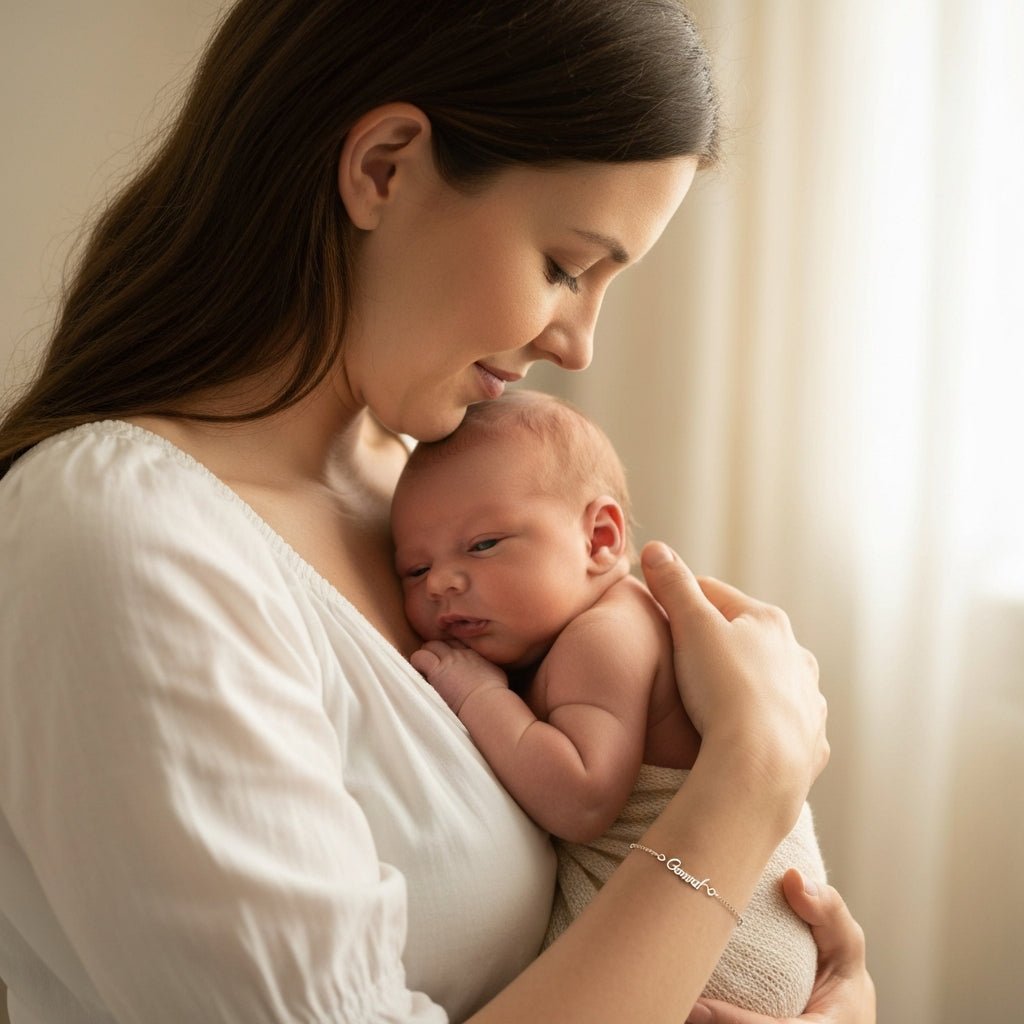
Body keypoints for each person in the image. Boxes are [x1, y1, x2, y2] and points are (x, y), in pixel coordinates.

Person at [0, 1, 874, 1022]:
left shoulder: (427, 498)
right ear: (384, 168)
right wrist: (747, 784)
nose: (578, 344)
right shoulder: (127, 541)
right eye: (563, 267)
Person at [391, 389, 828, 1018]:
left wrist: (481, 695)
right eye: (414, 570)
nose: (441, 582)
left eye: (483, 545)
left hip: (723, 955)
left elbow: (582, 797)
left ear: (599, 538)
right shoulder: (573, 634)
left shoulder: (603, 638)